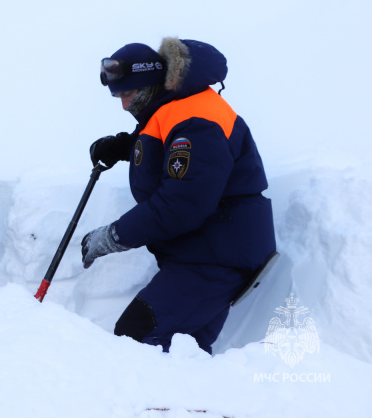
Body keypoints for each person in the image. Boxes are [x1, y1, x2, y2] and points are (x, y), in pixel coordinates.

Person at [81, 37, 276, 354]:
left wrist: (114, 236)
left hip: (214, 258)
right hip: (204, 253)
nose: (124, 104)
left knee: (137, 340)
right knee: (184, 352)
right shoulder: (177, 110)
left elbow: (182, 203)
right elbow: (171, 154)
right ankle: (186, 403)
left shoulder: (199, 123)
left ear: (150, 83)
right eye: (118, 95)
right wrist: (125, 147)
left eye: (128, 93)